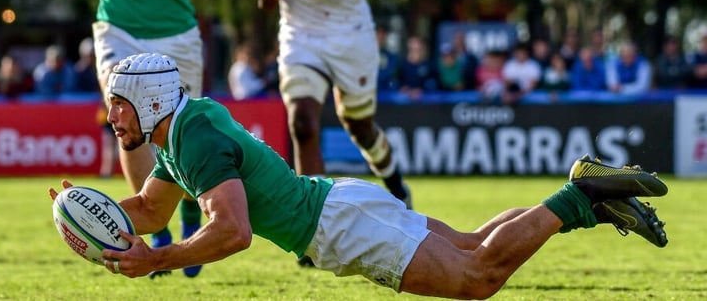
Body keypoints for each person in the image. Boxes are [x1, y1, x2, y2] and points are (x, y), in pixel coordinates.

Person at [49, 52, 669, 299]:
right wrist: (84, 208)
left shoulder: (196, 139)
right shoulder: (180, 134)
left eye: (118, 104)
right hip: (340, 203)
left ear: (151, 101)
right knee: (476, 245)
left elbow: (232, 232)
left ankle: (583, 194)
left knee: (479, 278)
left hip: (337, 226)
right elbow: (151, 212)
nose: (110, 117)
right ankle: (586, 194)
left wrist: (156, 262)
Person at [53, 0, 231, 278]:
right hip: (116, 29)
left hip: (173, 32)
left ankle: (189, 209)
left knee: (181, 129)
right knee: (127, 123)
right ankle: (156, 230)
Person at [243, 0, 412, 262]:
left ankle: (393, 180)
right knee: (302, 122)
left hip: (348, 32)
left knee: (360, 127)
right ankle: (312, 225)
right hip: (300, 33)